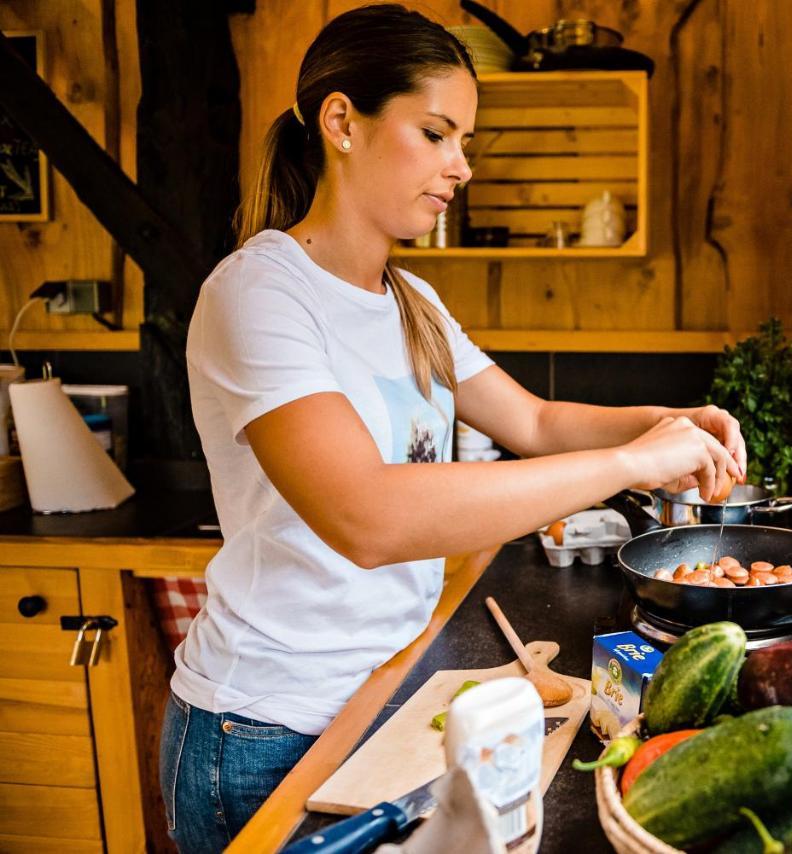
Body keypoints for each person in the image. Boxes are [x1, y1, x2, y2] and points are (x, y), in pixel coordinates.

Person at [158, 5, 745, 851]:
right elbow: (368, 516)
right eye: (436, 133)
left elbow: (537, 421)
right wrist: (630, 459)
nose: (460, 166)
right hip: (263, 729)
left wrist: (666, 420)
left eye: (463, 141)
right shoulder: (258, 294)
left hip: (384, 692)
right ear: (341, 123)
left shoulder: (413, 303)